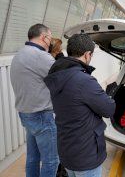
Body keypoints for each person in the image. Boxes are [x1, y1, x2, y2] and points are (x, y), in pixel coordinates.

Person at [44, 33, 116, 177]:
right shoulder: (84, 80)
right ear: (87, 54)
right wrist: (107, 95)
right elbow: (109, 109)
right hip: (86, 155)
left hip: (67, 151)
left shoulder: (58, 75)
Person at [10, 24, 60, 177]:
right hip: (42, 116)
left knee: (33, 157)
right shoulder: (41, 56)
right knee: (51, 160)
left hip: (26, 114)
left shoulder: (20, 54)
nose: (50, 43)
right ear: (44, 37)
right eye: (50, 39)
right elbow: (62, 78)